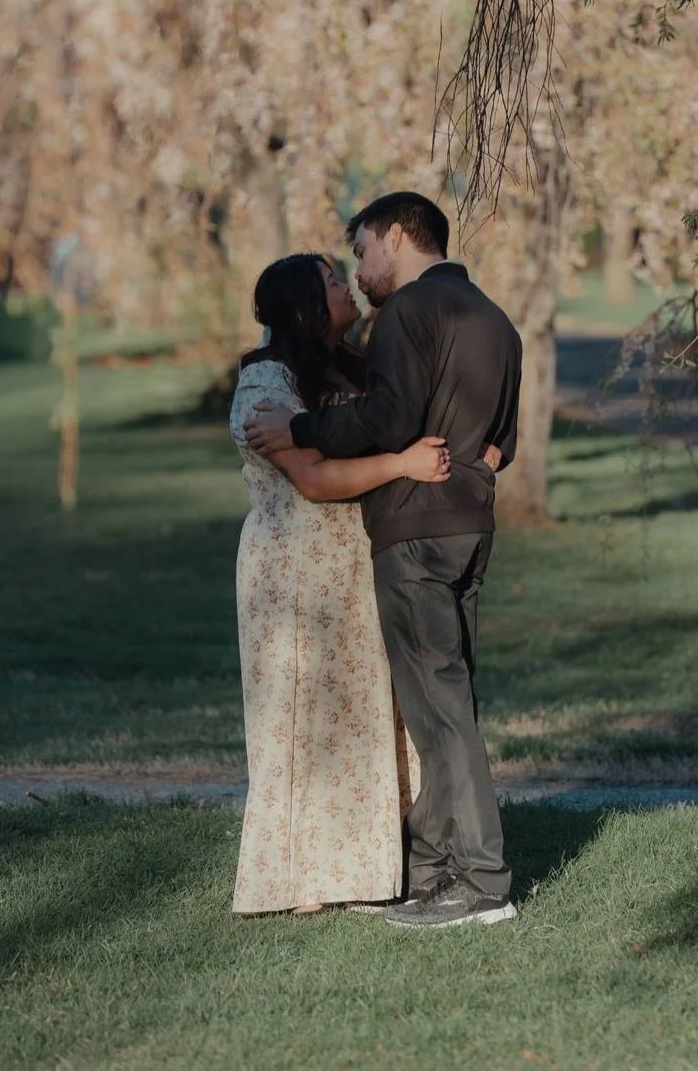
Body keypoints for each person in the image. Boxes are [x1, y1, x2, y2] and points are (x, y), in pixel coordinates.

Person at [246, 192, 523, 929]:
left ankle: (482, 884)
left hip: (415, 530)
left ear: (399, 237)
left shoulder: (407, 314)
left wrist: (301, 425)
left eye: (364, 250)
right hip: (472, 524)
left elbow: (389, 419)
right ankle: (431, 872)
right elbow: (504, 440)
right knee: (441, 707)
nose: (361, 270)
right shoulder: (494, 319)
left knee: (439, 713)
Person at [228, 252, 442, 916]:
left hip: (350, 560)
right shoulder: (267, 380)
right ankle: (301, 880)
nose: (344, 284)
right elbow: (314, 480)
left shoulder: (349, 364)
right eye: (328, 280)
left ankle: (370, 864)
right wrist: (403, 462)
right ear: (301, 306)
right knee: (303, 717)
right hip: (295, 569)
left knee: (363, 711)